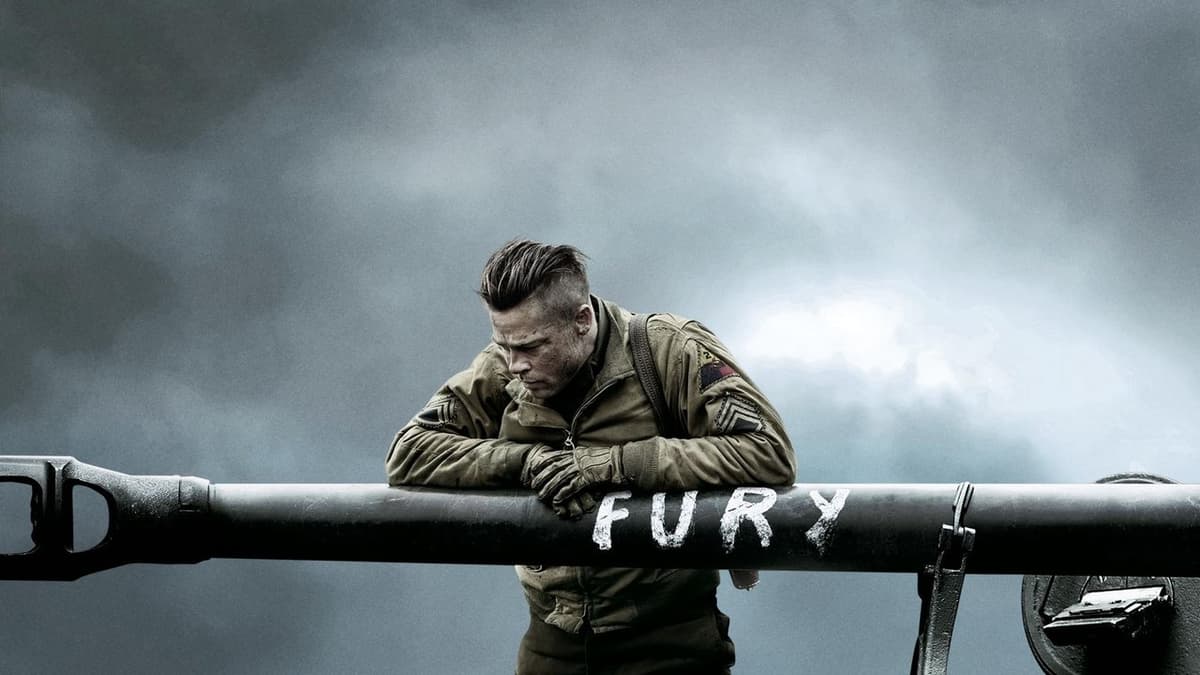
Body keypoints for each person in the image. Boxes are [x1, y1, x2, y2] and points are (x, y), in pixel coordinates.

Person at [386, 240, 795, 675]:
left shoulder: (669, 349)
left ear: (582, 320)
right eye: (504, 345)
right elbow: (410, 451)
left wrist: (615, 464)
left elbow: (767, 451)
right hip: (551, 645)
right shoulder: (502, 366)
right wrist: (524, 463)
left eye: (531, 346)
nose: (516, 364)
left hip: (672, 645)